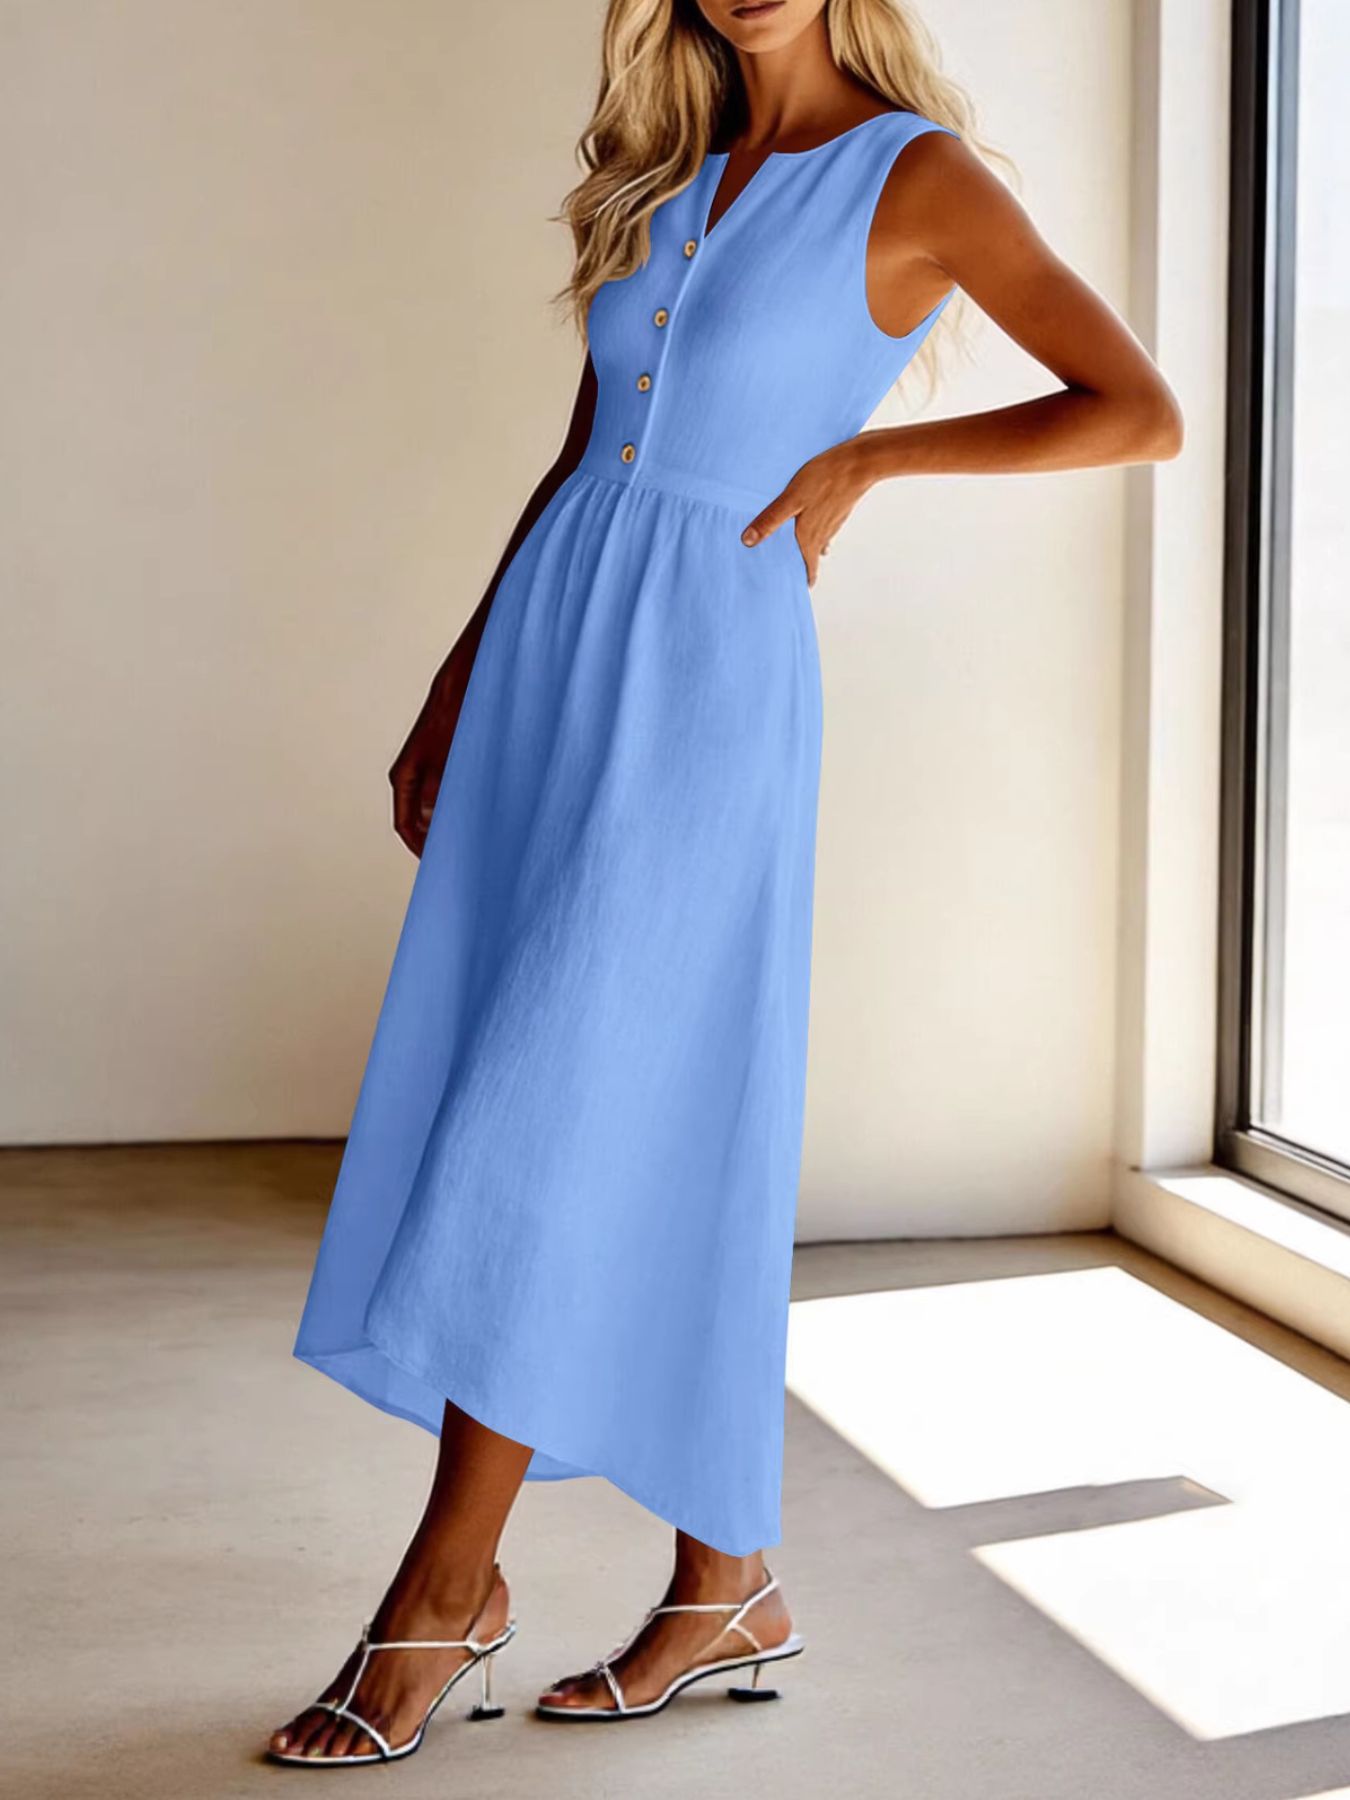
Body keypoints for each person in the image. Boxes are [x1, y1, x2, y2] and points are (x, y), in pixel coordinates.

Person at [267, 0, 1183, 1766]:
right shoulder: (666, 165)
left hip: (706, 675)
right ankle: (725, 1582)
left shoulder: (915, 178)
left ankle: (445, 1588)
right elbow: (575, 455)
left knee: (551, 1109)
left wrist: (870, 456)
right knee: (608, 1105)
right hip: (557, 652)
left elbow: (1134, 412)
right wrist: (456, 681)